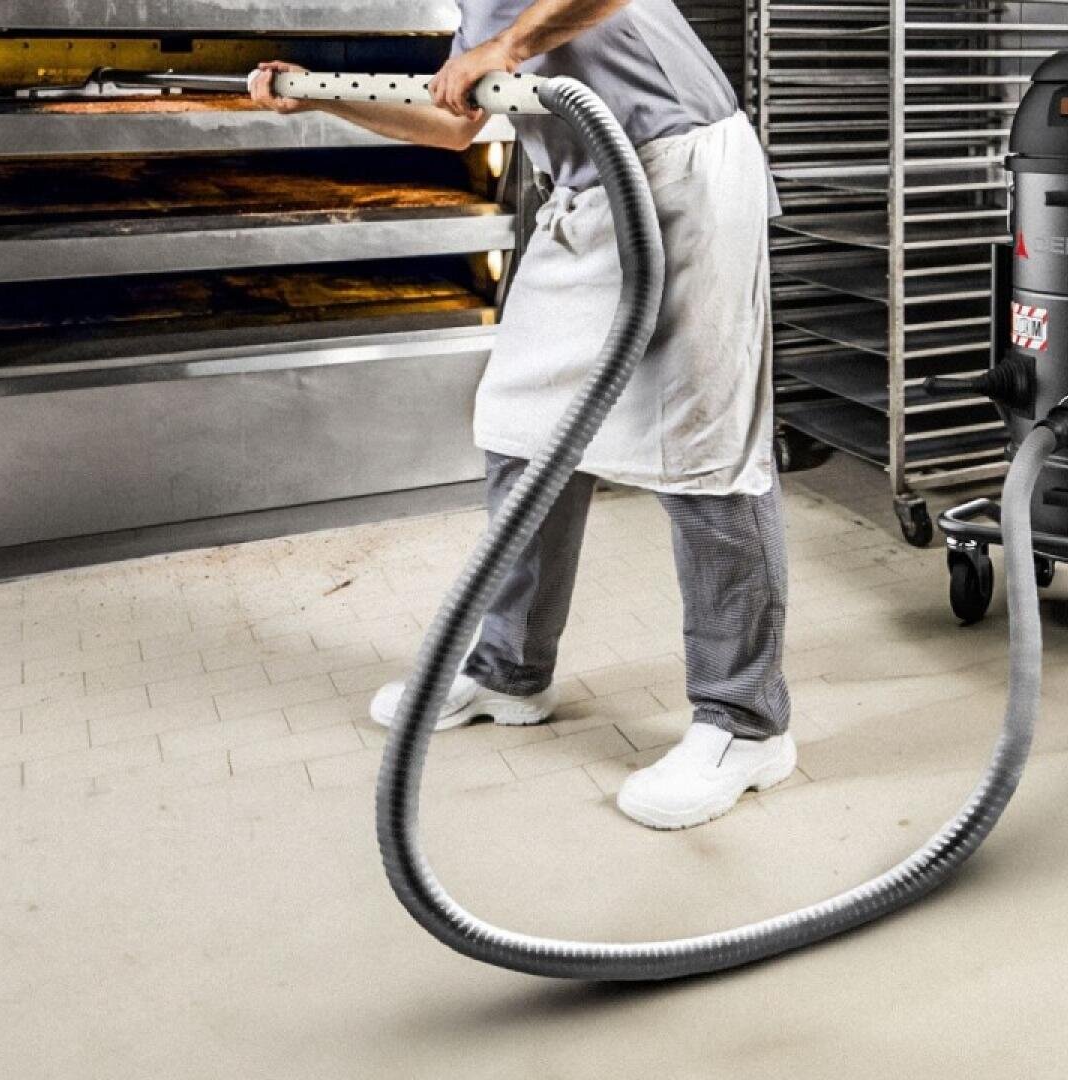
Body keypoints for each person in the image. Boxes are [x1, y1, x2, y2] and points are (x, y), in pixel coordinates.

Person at [251, 0, 794, 830]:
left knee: (704, 453)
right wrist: (318, 95)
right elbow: (451, 123)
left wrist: (507, 46)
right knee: (522, 435)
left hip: (683, 180)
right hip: (586, 198)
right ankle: (511, 671)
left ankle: (744, 724)